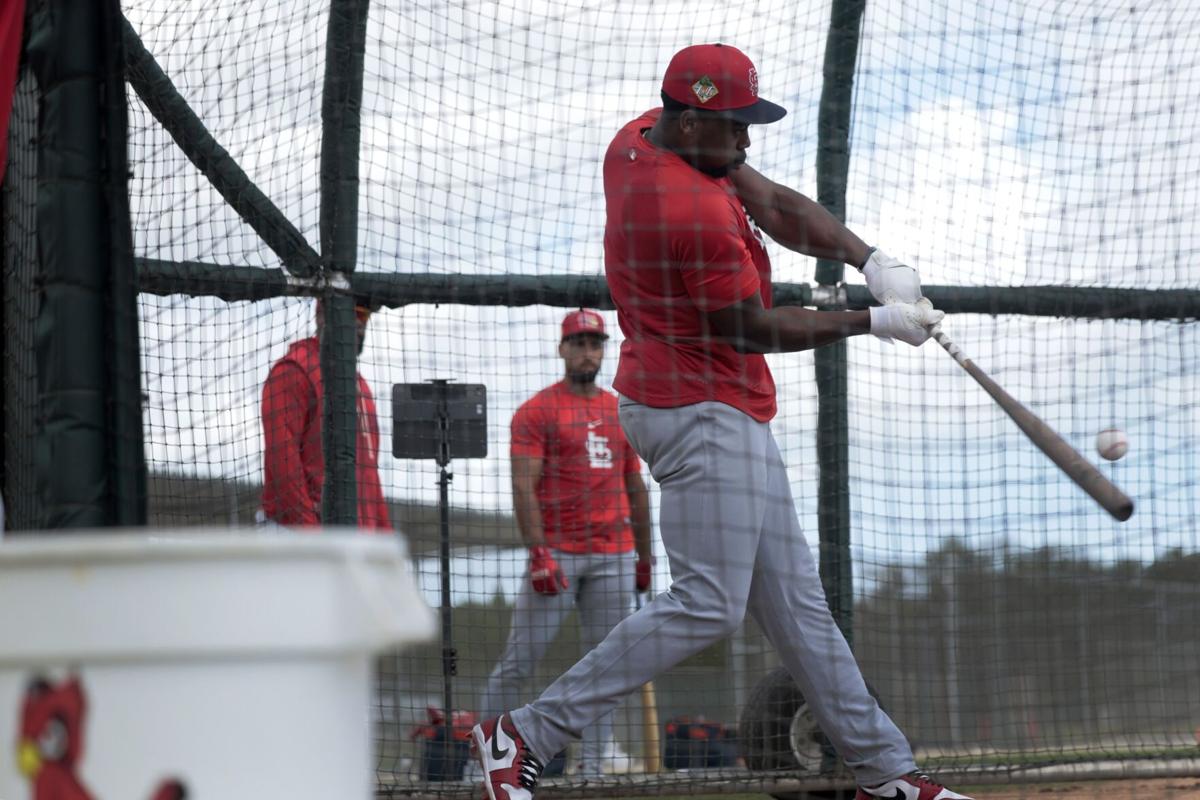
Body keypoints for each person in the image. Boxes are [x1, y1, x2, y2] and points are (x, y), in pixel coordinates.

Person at [469, 43, 971, 800]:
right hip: (698, 409)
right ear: (692, 121)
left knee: (799, 607)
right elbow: (753, 327)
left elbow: (774, 204)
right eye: (734, 126)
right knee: (707, 602)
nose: (746, 139)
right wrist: (870, 323)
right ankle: (525, 733)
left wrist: (871, 258)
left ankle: (885, 773)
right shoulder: (690, 210)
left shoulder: (642, 135)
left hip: (705, 402)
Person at [473, 309, 653, 778]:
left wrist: (645, 556)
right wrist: (538, 552)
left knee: (608, 667)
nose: (588, 351)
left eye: (595, 343)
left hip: (614, 554)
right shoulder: (537, 410)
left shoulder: (620, 407)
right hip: (559, 555)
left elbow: (636, 486)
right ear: (562, 348)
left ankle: (593, 769)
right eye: (579, 342)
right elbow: (522, 487)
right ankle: (485, 764)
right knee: (518, 662)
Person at [260, 299, 391, 530]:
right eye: (355, 314)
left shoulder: (360, 384)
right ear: (323, 317)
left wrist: (384, 537)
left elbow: (370, 479)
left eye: (365, 317)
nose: (360, 325)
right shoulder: (293, 370)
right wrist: (313, 536)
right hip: (299, 541)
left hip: (350, 543)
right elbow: (283, 463)